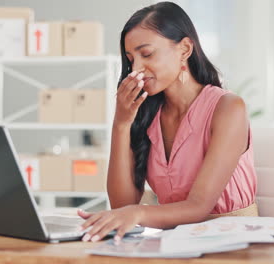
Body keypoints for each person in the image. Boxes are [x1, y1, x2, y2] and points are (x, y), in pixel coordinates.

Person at [77, 1, 257, 243]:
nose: (136, 69)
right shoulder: (148, 114)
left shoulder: (228, 108)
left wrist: (137, 212)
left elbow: (198, 206)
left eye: (147, 54)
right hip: (176, 245)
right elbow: (122, 204)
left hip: (235, 244)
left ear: (184, 49)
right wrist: (121, 124)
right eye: (131, 59)